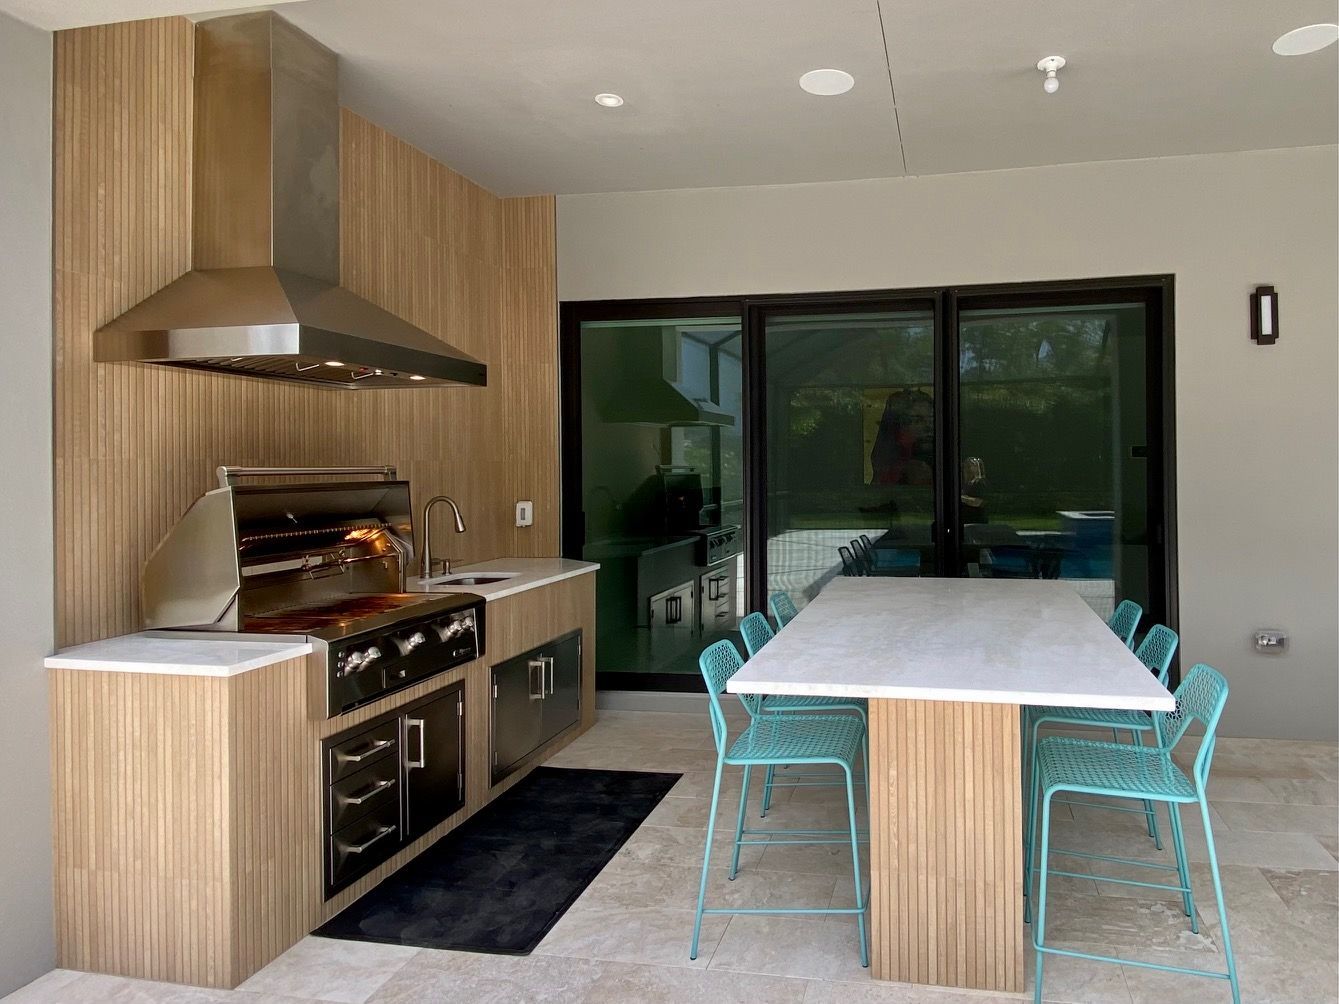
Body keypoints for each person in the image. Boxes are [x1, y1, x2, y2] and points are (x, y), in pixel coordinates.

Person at [960, 456, 989, 525]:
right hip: (965, 522)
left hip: (976, 522)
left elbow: (980, 502)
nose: (968, 468)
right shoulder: (965, 484)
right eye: (966, 466)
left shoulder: (980, 483)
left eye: (971, 466)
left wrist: (962, 498)